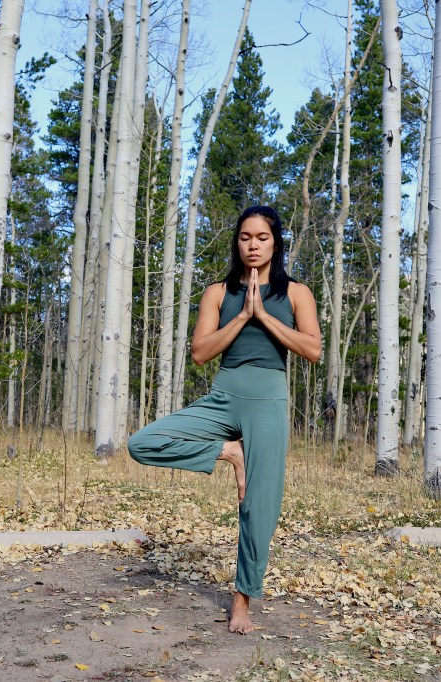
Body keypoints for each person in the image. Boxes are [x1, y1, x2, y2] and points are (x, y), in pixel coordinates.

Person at [128, 205, 321, 635]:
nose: (253, 245)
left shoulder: (295, 293)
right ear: (237, 242)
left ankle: (242, 602)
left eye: (262, 238)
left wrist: (264, 315)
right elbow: (200, 353)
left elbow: (312, 350)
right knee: (142, 443)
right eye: (245, 237)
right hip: (223, 396)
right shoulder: (218, 292)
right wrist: (242, 315)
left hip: (268, 400)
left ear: (276, 243)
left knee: (259, 508)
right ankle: (228, 452)